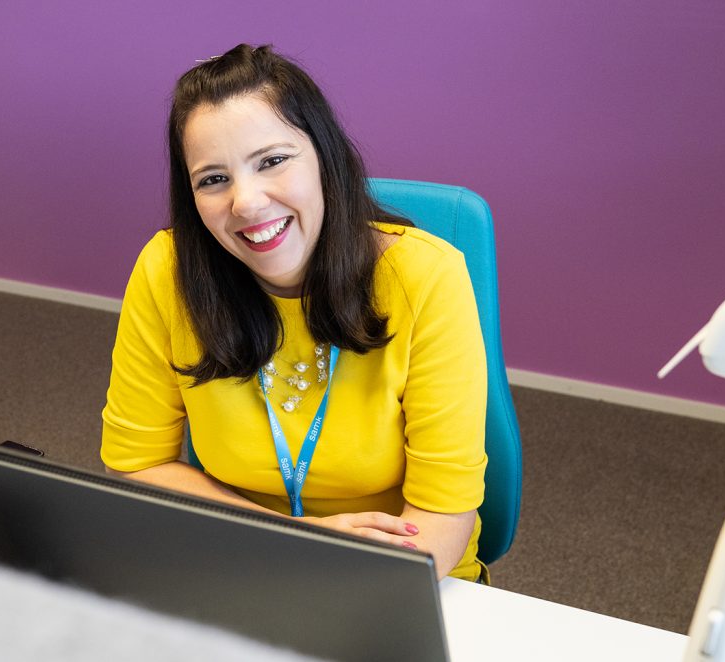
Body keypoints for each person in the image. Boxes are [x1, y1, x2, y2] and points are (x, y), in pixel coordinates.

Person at [100, 44, 488, 581]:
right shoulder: (168, 271)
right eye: (213, 179)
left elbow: (445, 513)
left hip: (399, 575)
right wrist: (295, 542)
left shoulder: (425, 277)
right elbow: (137, 463)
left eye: (273, 161)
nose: (247, 203)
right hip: (239, 558)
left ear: (325, 158)